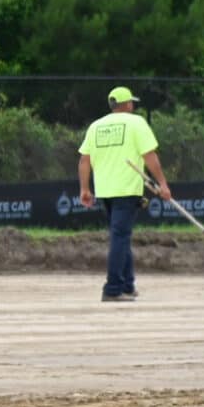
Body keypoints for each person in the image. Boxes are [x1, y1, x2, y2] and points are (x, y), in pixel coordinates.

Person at [78, 85, 174, 303]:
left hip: (105, 190)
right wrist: (163, 184)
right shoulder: (136, 123)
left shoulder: (96, 126)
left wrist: (85, 189)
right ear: (128, 104)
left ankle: (127, 285)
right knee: (120, 237)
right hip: (127, 189)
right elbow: (149, 156)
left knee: (122, 235)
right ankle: (112, 289)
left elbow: (84, 160)